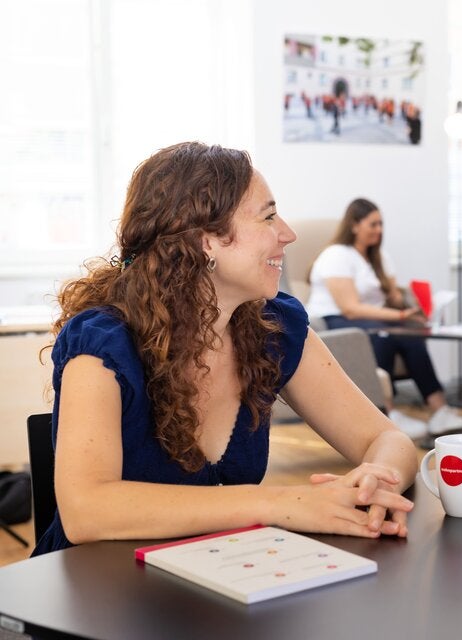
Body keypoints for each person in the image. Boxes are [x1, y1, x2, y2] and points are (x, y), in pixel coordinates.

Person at [33, 142, 417, 556]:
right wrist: (280, 503)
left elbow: (390, 439)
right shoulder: (103, 343)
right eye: (268, 216)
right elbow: (85, 510)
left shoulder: (273, 327)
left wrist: (376, 482)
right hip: (96, 599)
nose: (288, 233)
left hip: (215, 582)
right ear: (206, 241)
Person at [307, 198, 462, 438]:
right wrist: (399, 315)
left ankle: (439, 409)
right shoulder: (337, 255)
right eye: (373, 224)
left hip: (373, 319)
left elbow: (392, 299)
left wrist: (414, 307)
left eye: (381, 224)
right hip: (335, 320)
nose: (379, 230)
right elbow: (350, 308)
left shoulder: (379, 258)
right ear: (354, 225)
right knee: (383, 336)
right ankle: (385, 413)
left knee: (411, 336)